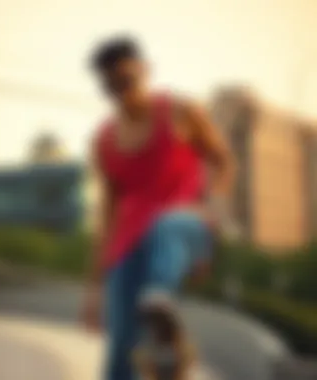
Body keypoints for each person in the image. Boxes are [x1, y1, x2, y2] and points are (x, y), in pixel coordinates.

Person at [82, 36, 236, 380]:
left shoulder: (181, 111)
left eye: (127, 82)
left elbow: (223, 161)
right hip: (128, 247)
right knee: (121, 347)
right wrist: (94, 288)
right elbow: (106, 218)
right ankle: (164, 339)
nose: (123, 94)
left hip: (186, 225)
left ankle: (160, 306)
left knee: (165, 226)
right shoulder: (104, 141)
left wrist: (214, 214)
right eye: (112, 88)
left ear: (145, 70)